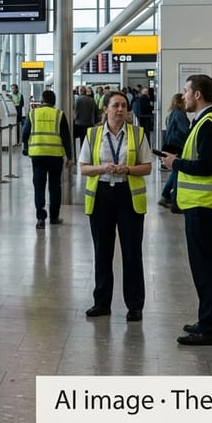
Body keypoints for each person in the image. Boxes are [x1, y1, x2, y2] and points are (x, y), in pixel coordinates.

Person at [160, 74, 212, 346]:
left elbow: (206, 167)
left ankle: (210, 327)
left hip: (204, 206)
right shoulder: (206, 122)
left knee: (205, 268)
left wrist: (175, 164)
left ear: (198, 94)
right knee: (208, 266)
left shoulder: (208, 125)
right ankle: (211, 321)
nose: (183, 96)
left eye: (186, 91)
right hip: (203, 206)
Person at [80, 91, 152, 322]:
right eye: (115, 106)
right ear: (105, 109)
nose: (120, 110)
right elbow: (83, 168)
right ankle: (102, 302)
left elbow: (147, 166)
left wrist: (128, 169)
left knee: (132, 252)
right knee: (102, 252)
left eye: (124, 106)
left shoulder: (138, 134)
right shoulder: (92, 135)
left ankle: (135, 305)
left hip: (128, 195)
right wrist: (102, 168)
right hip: (101, 195)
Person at [22, 89, 74, 229]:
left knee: (39, 187)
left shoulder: (33, 113)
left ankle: (40, 218)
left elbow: (25, 133)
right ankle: (54, 217)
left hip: (37, 155)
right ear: (54, 101)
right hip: (55, 156)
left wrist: (26, 148)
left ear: (42, 100)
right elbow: (66, 138)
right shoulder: (59, 114)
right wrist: (70, 157)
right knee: (55, 186)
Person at [159, 93, 190, 208]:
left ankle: (165, 196)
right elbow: (185, 130)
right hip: (178, 146)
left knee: (176, 171)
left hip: (171, 145)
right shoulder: (179, 114)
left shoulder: (172, 114)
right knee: (178, 172)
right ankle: (175, 200)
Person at [73, 86, 99, 152]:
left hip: (78, 124)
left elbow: (74, 112)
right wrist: (96, 122)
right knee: (86, 142)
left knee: (75, 141)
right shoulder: (92, 100)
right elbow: (96, 112)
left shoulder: (77, 100)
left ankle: (76, 157)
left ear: (80, 91)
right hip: (89, 124)